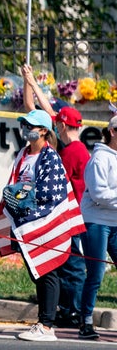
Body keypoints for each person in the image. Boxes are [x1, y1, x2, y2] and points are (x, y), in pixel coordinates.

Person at [0, 109, 79, 342]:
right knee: (38, 273)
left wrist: (21, 195)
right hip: (25, 223)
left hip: (45, 222)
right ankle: (42, 321)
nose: (25, 128)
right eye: (24, 124)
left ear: (44, 131)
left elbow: (50, 192)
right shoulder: (23, 154)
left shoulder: (50, 156)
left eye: (30, 125)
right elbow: (15, 183)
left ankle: (46, 325)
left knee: (47, 272)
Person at [22, 64, 89, 328]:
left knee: (73, 264)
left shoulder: (72, 152)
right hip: (66, 215)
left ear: (60, 125)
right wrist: (29, 81)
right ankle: (67, 306)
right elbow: (35, 108)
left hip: (71, 216)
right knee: (64, 263)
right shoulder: (69, 146)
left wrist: (31, 81)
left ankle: (73, 309)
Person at [79, 115, 117, 340]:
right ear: (113, 131)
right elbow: (99, 194)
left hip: (115, 221)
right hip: (95, 220)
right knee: (96, 273)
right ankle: (85, 322)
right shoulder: (99, 159)